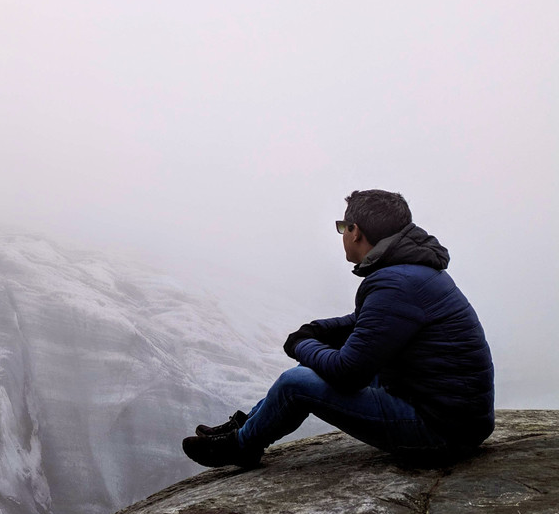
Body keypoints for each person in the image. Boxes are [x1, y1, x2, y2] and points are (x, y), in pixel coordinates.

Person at [183, 189, 494, 469]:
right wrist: (314, 331)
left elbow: (349, 372)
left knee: (297, 382)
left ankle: (242, 446)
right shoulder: (410, 274)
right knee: (317, 363)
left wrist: (300, 345)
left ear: (355, 231)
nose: (342, 234)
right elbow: (365, 321)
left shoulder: (396, 283)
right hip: (454, 418)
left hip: (441, 431)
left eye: (342, 227)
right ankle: (247, 424)